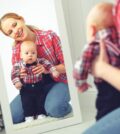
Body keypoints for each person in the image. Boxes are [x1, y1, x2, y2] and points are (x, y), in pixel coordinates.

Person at [0, 12, 72, 124]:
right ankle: (41, 104)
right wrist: (20, 76)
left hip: (58, 82)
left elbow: (69, 65)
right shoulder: (16, 50)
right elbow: (16, 74)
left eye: (14, 25)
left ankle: (50, 104)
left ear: (22, 19)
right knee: (11, 117)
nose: (15, 31)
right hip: (31, 89)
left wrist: (48, 69)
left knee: (55, 109)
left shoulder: (50, 36)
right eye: (10, 32)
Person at [73, 2, 120, 120]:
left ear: (92, 29)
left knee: (103, 115)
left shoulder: (95, 44)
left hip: (107, 91)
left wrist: (81, 82)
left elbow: (81, 65)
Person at [11, 41, 59, 122]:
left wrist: (53, 70)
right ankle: (28, 115)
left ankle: (41, 113)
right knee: (26, 102)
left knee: (40, 100)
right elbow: (13, 73)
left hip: (39, 85)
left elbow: (48, 64)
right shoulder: (18, 65)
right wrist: (16, 82)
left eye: (33, 53)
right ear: (21, 55)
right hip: (26, 88)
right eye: (27, 53)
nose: (30, 55)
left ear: (36, 53)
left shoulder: (40, 61)